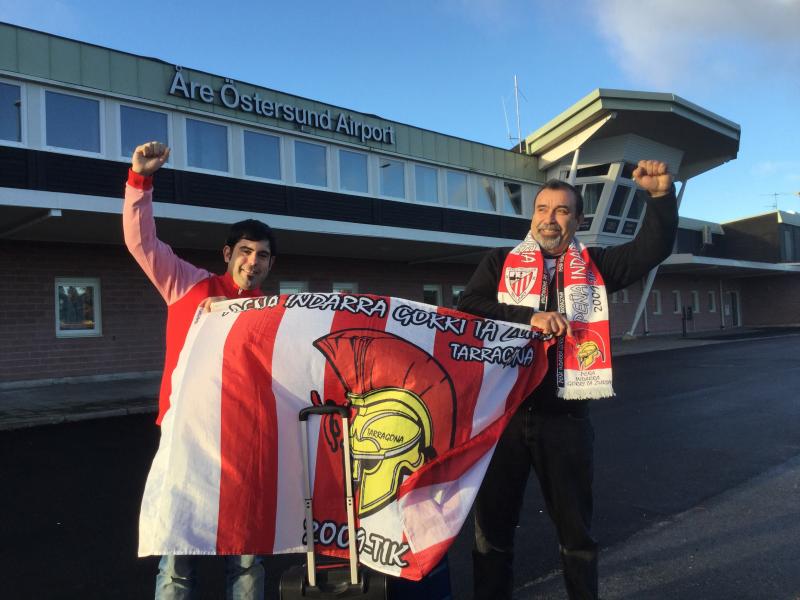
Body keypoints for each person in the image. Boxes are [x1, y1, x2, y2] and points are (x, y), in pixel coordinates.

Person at [458, 160, 678, 600]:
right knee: (491, 535)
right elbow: (469, 307)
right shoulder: (500, 262)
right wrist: (528, 316)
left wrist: (659, 198)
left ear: (577, 221)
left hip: (566, 420)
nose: (549, 218)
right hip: (502, 416)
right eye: (542, 209)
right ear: (532, 216)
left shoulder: (595, 266)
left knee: (576, 536)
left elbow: (650, 249)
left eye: (561, 211)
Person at [124, 141, 276, 600]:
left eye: (264, 255)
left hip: (248, 444)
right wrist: (140, 180)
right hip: (188, 439)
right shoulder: (189, 285)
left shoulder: (273, 311)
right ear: (228, 252)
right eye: (246, 251)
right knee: (177, 564)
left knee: (247, 564)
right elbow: (141, 242)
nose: (253, 261)